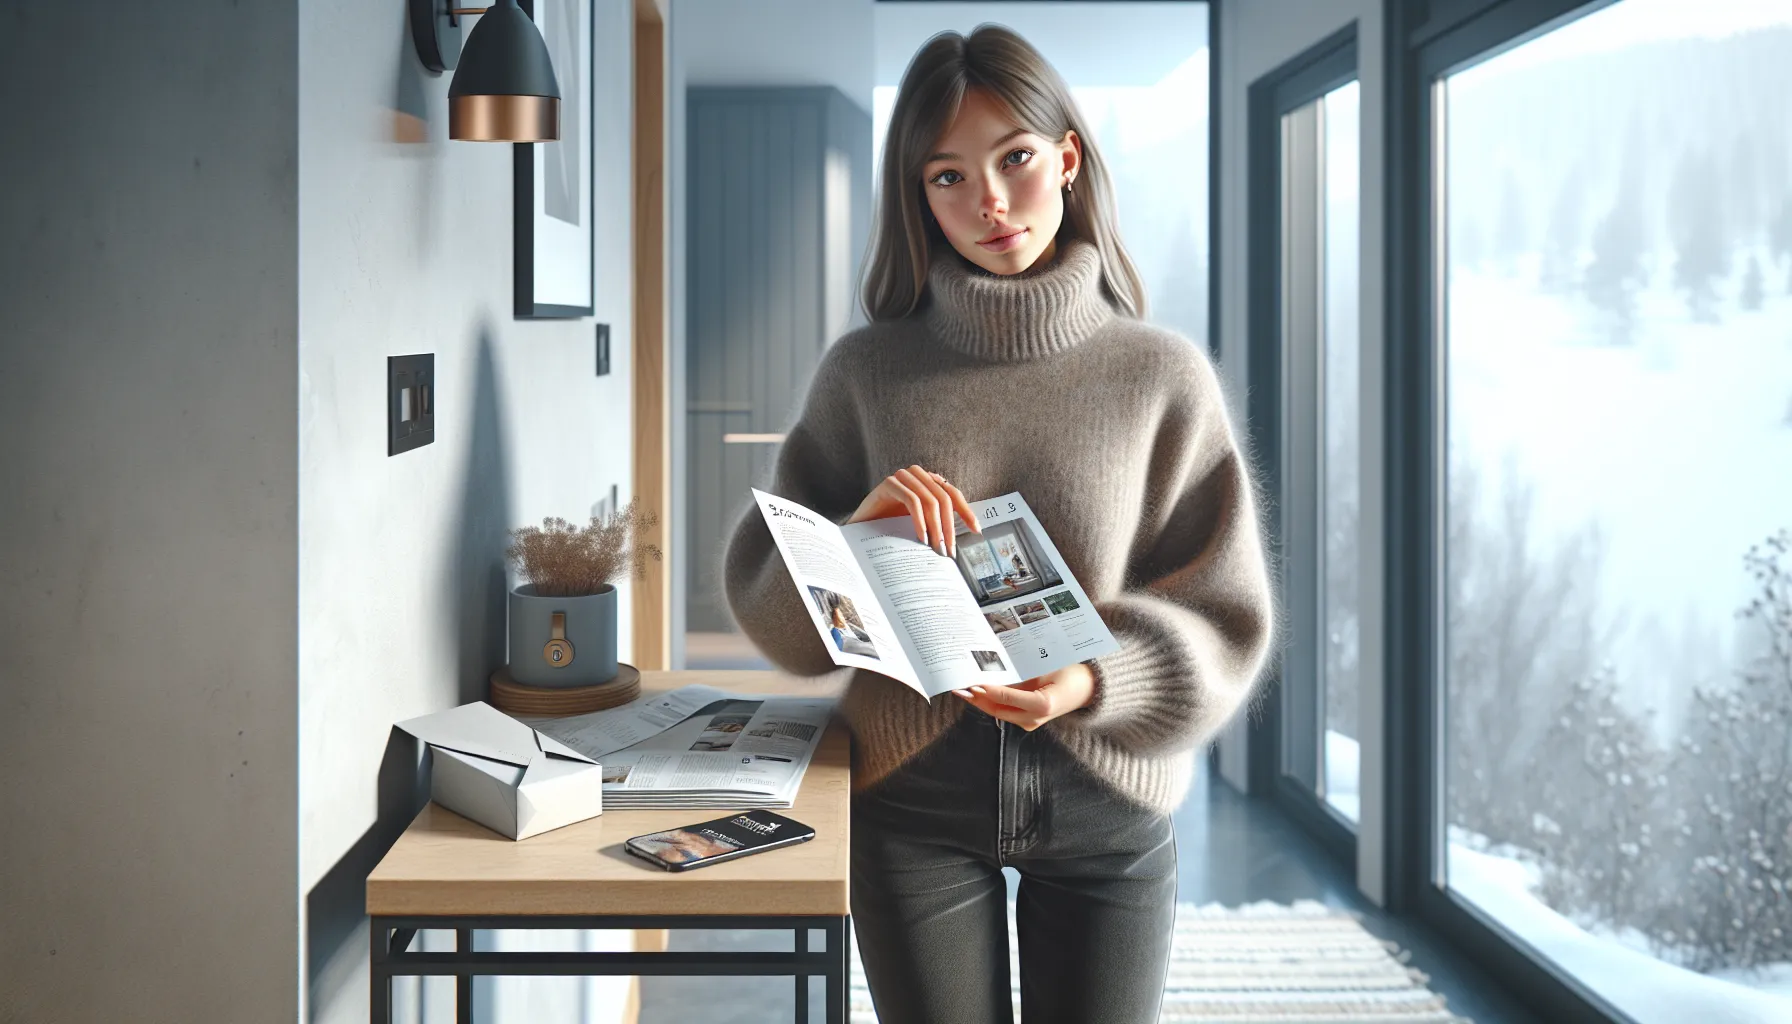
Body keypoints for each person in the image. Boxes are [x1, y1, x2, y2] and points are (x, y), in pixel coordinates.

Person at [720, 24, 1275, 1024]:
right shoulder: (867, 372)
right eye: (946, 175)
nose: (987, 200)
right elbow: (775, 619)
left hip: (1112, 808)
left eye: (1014, 157)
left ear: (1066, 157)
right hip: (908, 804)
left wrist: (1094, 678)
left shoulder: (1159, 377)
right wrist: (856, 537)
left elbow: (1225, 615)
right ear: (916, 197)